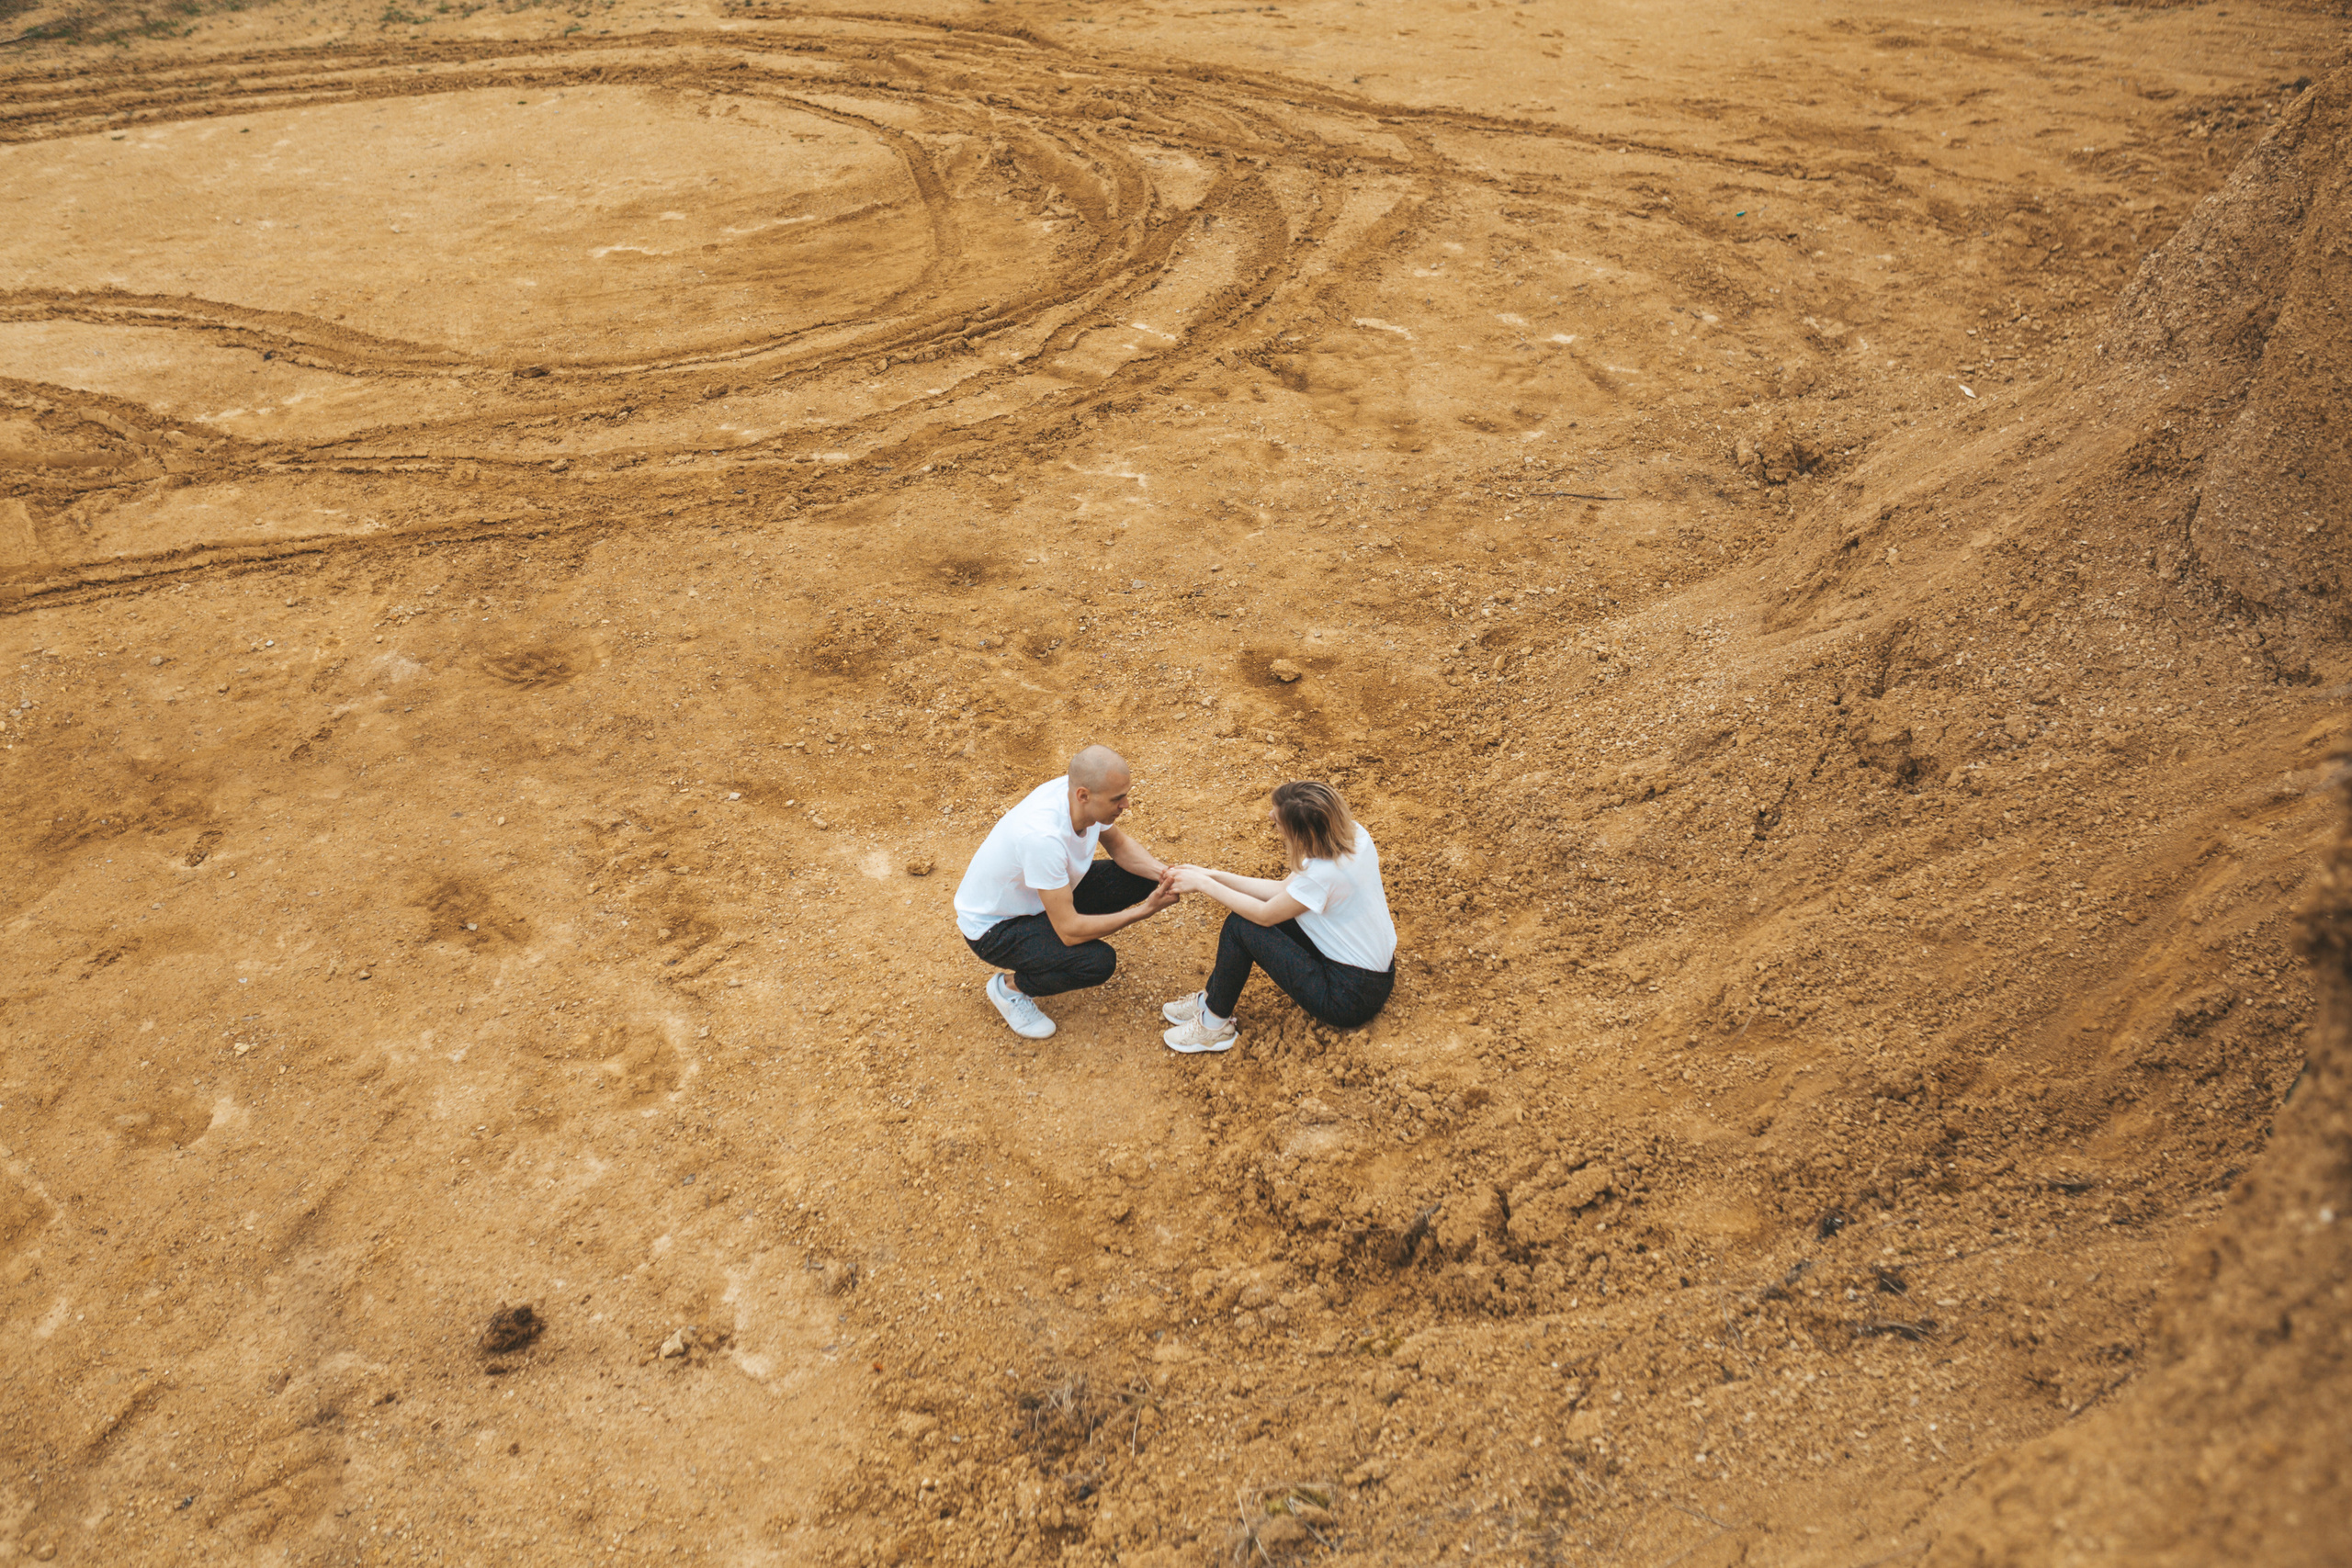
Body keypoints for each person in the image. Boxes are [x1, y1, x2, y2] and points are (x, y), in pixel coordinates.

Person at [955, 744, 1180, 1039]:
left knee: (1142, 876)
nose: (1126, 805)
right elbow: (1070, 931)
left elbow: (1120, 846)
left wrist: (1167, 875)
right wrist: (1144, 911)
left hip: (1043, 896)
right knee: (1096, 963)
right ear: (1083, 795)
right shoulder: (1043, 838)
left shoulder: (1079, 797)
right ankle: (1009, 990)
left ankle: (1047, 943)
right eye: (1118, 799)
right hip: (995, 928)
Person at [1159, 780, 1396, 1055]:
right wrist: (1209, 873)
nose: (1271, 816)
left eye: (1278, 819)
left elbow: (1264, 915)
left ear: (1302, 833)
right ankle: (1211, 999)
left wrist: (1203, 885)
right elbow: (1283, 891)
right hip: (1373, 974)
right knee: (1248, 919)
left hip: (1348, 997)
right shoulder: (1352, 836)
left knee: (1240, 926)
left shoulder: (1322, 875)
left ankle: (1214, 1025)